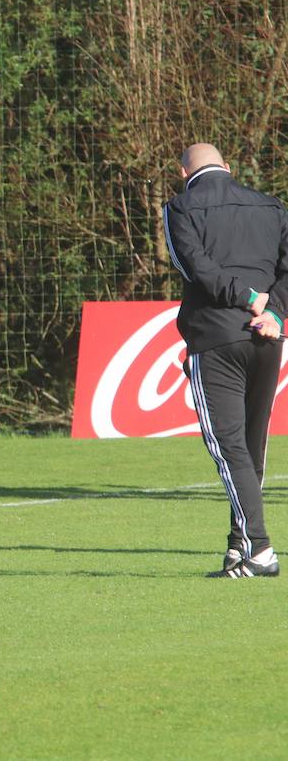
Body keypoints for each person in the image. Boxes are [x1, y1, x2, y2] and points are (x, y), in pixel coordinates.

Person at [163, 142, 287, 578]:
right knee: (252, 446)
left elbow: (194, 266)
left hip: (216, 337)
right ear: (229, 168)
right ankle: (240, 547)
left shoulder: (180, 207)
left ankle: (259, 549)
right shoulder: (271, 206)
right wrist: (275, 311)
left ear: (183, 172)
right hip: (268, 338)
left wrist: (248, 298)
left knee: (227, 445)